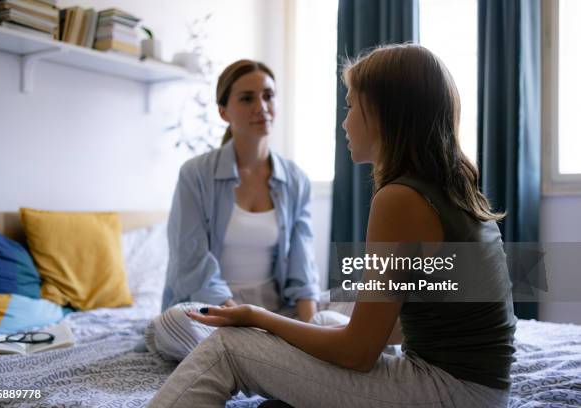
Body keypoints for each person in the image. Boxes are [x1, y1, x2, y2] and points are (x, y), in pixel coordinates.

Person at [147, 44, 517, 408]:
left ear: (383, 113)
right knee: (324, 324)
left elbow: (358, 353)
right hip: (476, 389)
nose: (344, 120)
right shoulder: (450, 186)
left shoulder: (399, 199)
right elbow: (409, 323)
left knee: (228, 347)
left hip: (448, 391)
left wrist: (258, 320)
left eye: (351, 105)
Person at [145, 59, 347, 362]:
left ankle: (257, 355)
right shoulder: (195, 174)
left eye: (268, 95)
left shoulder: (295, 179)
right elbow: (191, 261)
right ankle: (264, 354)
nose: (261, 106)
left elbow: (302, 264)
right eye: (247, 98)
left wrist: (307, 327)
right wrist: (239, 316)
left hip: (277, 310)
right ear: (223, 112)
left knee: (355, 303)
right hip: (214, 309)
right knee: (172, 324)